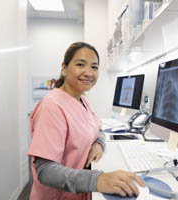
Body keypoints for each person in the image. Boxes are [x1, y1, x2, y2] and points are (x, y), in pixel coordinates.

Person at [28, 42, 145, 200]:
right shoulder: (52, 107)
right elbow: (45, 171)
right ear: (64, 67)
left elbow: (98, 130)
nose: (88, 72)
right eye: (80, 64)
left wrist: (99, 144)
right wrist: (98, 179)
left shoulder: (81, 101)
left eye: (94, 67)